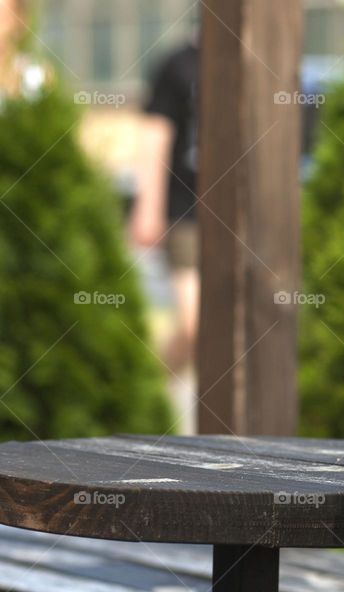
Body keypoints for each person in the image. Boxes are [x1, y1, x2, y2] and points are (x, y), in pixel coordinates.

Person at [127, 40, 199, 421]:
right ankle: (151, 393)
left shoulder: (262, 59)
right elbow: (156, 134)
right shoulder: (178, 63)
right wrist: (147, 206)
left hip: (243, 219)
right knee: (193, 322)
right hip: (186, 209)